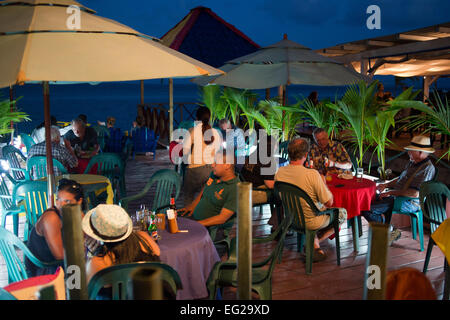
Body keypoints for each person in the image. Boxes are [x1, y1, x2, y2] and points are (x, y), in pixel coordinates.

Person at [275, 138, 347, 262]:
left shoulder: (279, 172)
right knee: (342, 213)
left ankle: (314, 243)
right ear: (306, 155)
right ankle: (314, 242)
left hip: (291, 219)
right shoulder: (312, 174)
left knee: (314, 207)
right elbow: (329, 202)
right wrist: (323, 182)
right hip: (311, 221)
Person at [361, 135, 436, 245]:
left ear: (420, 152)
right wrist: (386, 185)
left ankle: (391, 230)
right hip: (397, 196)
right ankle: (389, 229)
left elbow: (415, 193)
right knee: (366, 200)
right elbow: (401, 178)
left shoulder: (427, 169)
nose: (408, 153)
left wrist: (390, 192)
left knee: (366, 208)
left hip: (410, 202)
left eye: (411, 151)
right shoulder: (413, 162)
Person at [83, 204, 161, 284]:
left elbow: (84, 289)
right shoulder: (144, 238)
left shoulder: (97, 262)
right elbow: (157, 253)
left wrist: (90, 255)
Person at [25, 179, 85, 277]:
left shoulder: (78, 214)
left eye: (67, 201)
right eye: (58, 199)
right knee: (86, 272)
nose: (61, 205)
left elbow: (85, 239)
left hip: (60, 263)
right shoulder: (51, 218)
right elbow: (60, 255)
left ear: (79, 201)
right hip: (43, 269)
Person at [179, 150, 239, 229]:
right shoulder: (215, 175)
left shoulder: (235, 188)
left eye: (216, 163)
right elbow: (206, 188)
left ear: (227, 165)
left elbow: (222, 218)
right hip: (195, 219)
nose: (212, 165)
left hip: (209, 229)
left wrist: (196, 224)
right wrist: (193, 205)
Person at [182, 107, 221, 206]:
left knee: (188, 196)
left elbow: (185, 151)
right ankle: (204, 217)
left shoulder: (192, 131)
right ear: (209, 117)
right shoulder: (216, 132)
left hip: (195, 170)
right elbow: (218, 152)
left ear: (197, 118)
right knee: (206, 197)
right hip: (211, 170)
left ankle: (188, 219)